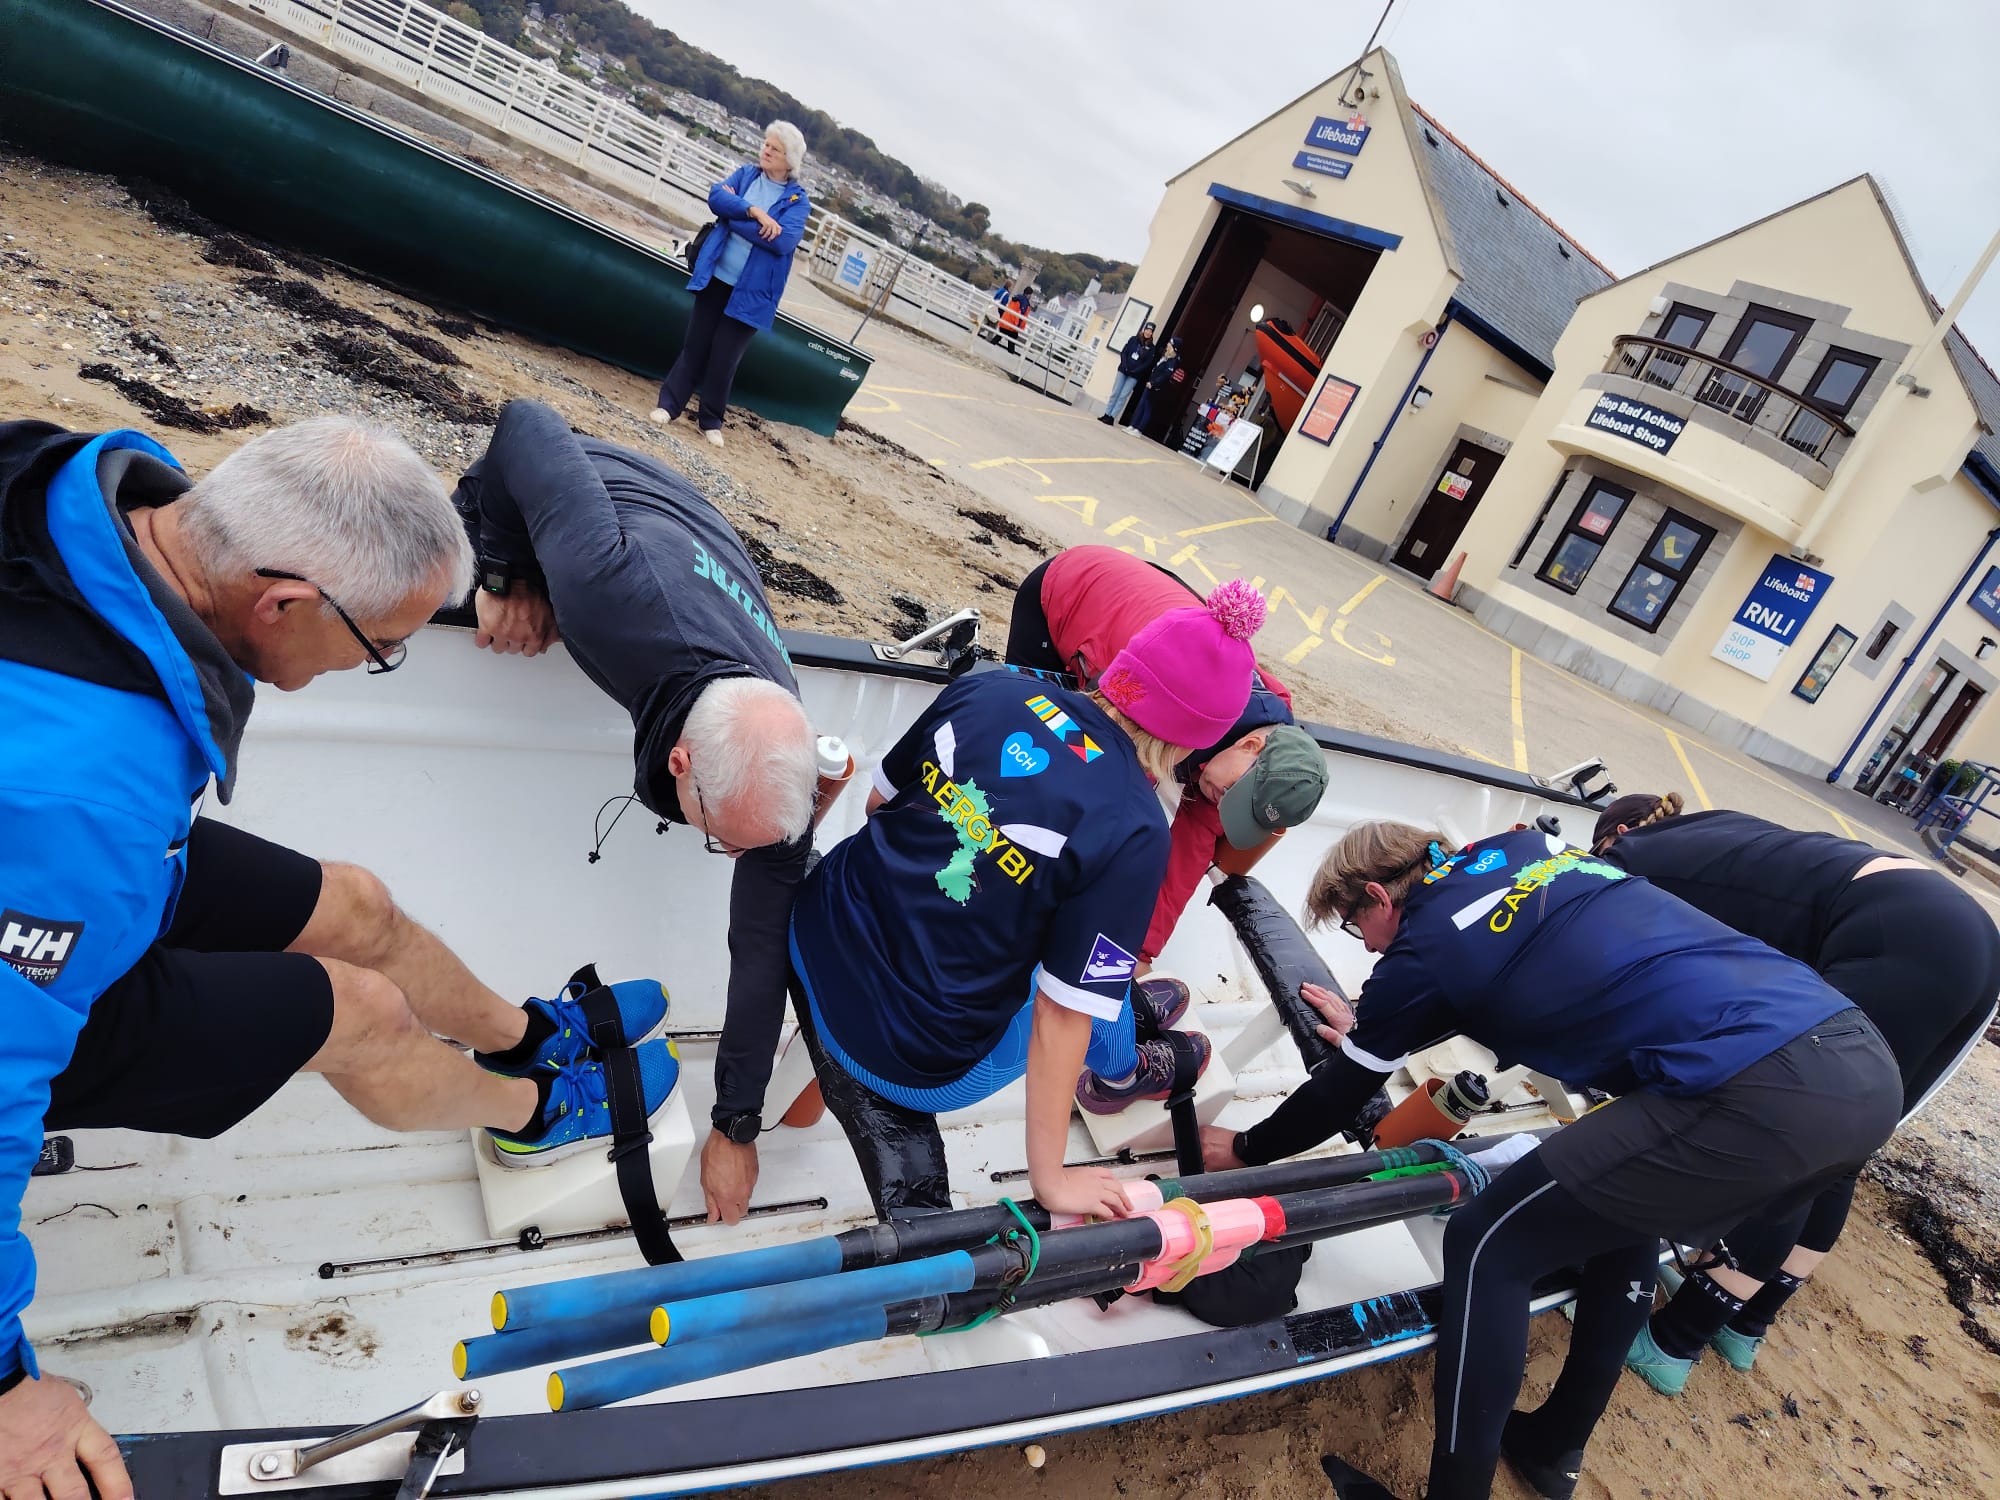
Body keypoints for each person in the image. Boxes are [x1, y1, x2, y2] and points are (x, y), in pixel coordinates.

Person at [0, 416, 681, 1500]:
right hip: (50, 921)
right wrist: (4, 1387)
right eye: (378, 646)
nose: (376, 666)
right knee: (358, 1012)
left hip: (67, 865)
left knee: (354, 904)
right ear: (281, 601)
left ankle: (526, 1039)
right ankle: (538, 1115)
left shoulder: (69, 490)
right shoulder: (83, 789)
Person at [1200, 820, 1901, 1500]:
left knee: (1487, 1245)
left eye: (1359, 930)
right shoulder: (1529, 848)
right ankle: (1553, 1445)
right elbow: (1509, 961)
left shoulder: (1424, 947)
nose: (1372, 947)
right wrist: (1384, 1023)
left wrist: (1246, 1147)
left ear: (1379, 898)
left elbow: (1342, 1091)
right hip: (1856, 1060)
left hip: (1755, 1087)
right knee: (1620, 1214)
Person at [788, 582, 1270, 1219]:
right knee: (1089, 984)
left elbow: (880, 805)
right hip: (906, 1060)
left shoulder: (993, 687)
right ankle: (1123, 1072)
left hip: (816, 932)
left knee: (1069, 950)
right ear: (1202, 735)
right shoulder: (1135, 826)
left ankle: (1122, 1019)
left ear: (1127, 665)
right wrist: (1052, 1179)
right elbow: (1062, 1014)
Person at [455, 398, 821, 1228]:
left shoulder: (775, 755)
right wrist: (507, 574)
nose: (735, 857)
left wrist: (737, 1125)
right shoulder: (606, 595)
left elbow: (760, 949)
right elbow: (525, 426)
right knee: (487, 568)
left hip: (668, 528)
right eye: (720, 840)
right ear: (678, 763)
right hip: (551, 496)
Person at [1591, 793, 2000, 1392]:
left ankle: (1677, 1340)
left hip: (1903, 937)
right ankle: (1745, 1320)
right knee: (1842, 1151)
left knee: (1795, 1135)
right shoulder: (1710, 834)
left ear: (1618, 833)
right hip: (1959, 936)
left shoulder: (1630, 860)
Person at [1005, 546, 1327, 1104]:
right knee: (1049, 750)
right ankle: (1116, 1062)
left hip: (1147, 603)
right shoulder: (1160, 687)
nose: (1222, 804)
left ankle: (1095, 967)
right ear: (1250, 745)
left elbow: (1192, 843)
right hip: (1069, 593)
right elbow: (1095, 752)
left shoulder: (1259, 751)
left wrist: (1142, 950)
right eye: (1232, 795)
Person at [649, 121, 811, 449]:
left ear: (789, 160)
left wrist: (734, 218)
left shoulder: (797, 202)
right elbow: (716, 197)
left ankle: (710, 421)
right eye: (766, 144)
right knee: (695, 346)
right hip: (716, 276)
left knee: (724, 359)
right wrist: (754, 212)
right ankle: (668, 406)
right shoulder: (746, 175)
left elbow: (783, 241)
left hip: (753, 293)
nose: (766, 151)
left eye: (775, 148)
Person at [1131, 334, 1187, 442]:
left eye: (1170, 343)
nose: (1168, 344)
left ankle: (1139, 429)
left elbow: (1165, 375)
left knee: (1147, 408)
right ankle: (1133, 425)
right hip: (1150, 383)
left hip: (1155, 386)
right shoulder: (1166, 356)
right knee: (1141, 405)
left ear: (1174, 347)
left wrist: (1154, 383)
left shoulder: (1173, 361)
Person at [1100, 320, 1157, 425]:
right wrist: (1125, 365)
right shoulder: (1133, 339)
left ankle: (1112, 417)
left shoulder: (1151, 348)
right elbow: (1124, 352)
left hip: (1134, 375)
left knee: (1123, 395)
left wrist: (1136, 370)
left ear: (1152, 333)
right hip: (1123, 370)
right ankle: (1106, 414)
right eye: (1147, 330)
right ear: (1144, 330)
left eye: (1151, 331)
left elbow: (1147, 363)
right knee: (1115, 392)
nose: (1148, 332)